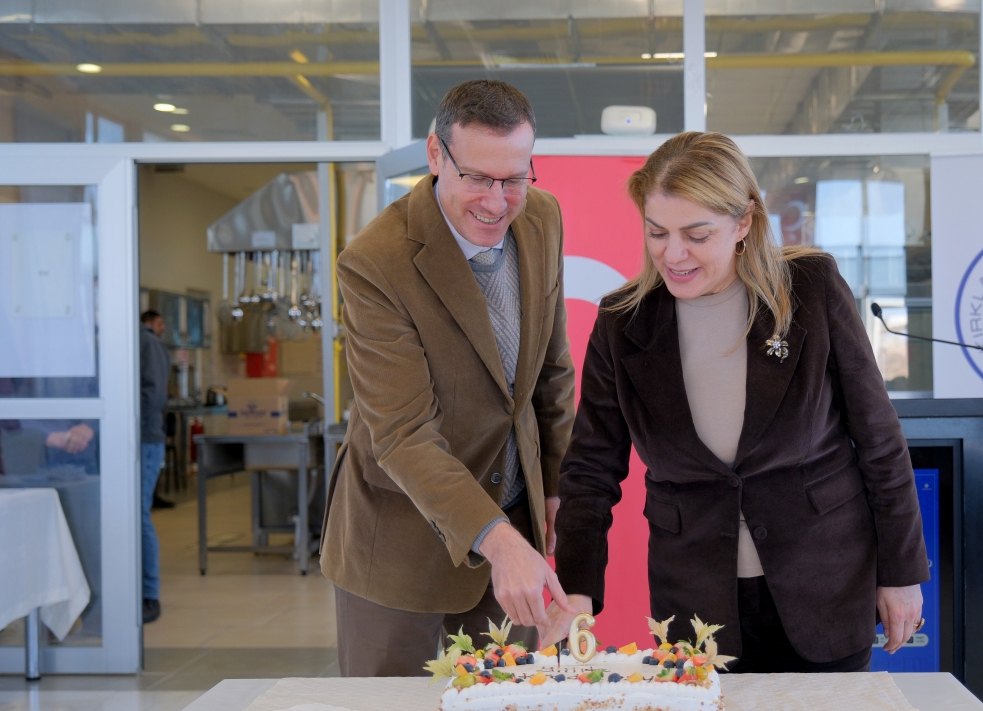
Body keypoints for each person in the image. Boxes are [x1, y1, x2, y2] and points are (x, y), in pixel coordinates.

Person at [544, 132, 929, 673]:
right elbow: (590, 470)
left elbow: (879, 439)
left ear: (744, 221)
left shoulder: (810, 289)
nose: (673, 254)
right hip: (694, 601)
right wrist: (576, 593)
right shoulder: (622, 322)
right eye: (657, 232)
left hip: (824, 584)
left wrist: (901, 572)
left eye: (696, 234)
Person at [320, 79, 576, 676]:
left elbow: (551, 372)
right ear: (436, 155)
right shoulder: (375, 262)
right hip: (398, 542)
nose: (497, 202)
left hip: (513, 526)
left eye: (514, 178)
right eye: (478, 178)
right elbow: (403, 433)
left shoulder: (543, 218)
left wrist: (558, 488)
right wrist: (498, 538)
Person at [139, 309, 171, 624]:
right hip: (128, 440)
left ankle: (149, 595)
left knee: (139, 515)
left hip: (144, 440)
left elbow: (154, 394)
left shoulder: (147, 344)